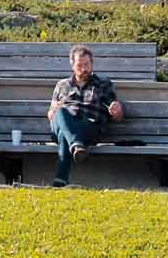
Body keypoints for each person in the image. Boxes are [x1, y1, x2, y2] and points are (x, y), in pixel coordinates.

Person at [46, 44, 124, 187]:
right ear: (72, 66)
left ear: (92, 64)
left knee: (64, 134)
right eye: (79, 65)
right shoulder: (61, 85)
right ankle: (76, 145)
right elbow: (51, 115)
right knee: (61, 112)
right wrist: (54, 110)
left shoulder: (103, 84)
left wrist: (117, 110)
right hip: (63, 122)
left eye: (87, 65)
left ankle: (61, 179)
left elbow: (117, 115)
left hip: (89, 127)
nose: (84, 69)